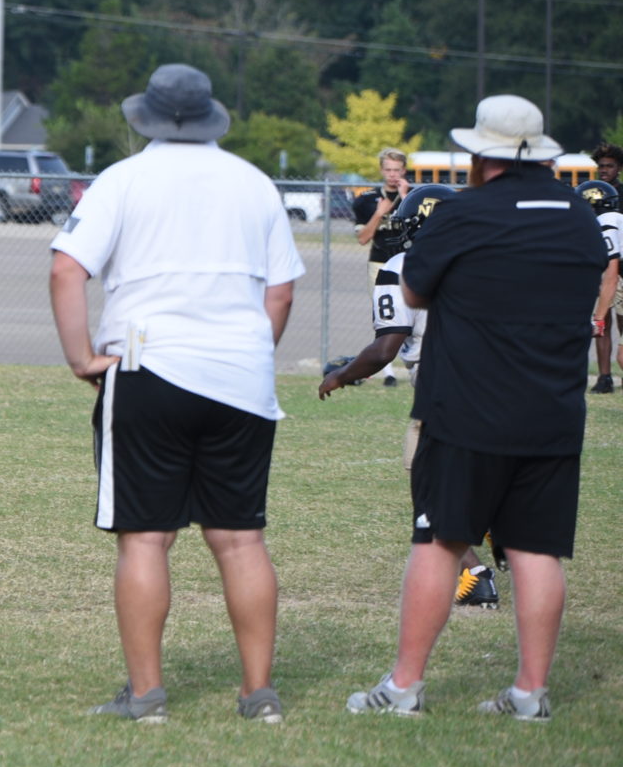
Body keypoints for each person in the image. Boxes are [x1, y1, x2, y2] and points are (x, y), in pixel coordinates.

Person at [49, 64, 302, 726]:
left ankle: (147, 695)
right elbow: (281, 291)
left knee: (145, 539)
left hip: (147, 364)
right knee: (241, 540)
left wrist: (81, 357)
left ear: (147, 118)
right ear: (212, 117)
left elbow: (65, 267)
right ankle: (259, 694)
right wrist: (247, 351)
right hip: (241, 377)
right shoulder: (254, 182)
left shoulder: (123, 180)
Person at [346, 96, 608, 722]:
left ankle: (404, 687)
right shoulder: (576, 213)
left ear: (481, 155)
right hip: (553, 410)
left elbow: (413, 287)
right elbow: (594, 282)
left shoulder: (465, 214)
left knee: (438, 542)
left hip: (465, 407)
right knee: (536, 550)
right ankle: (529, 694)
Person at [318, 186, 501, 609]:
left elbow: (386, 348)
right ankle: (494, 523)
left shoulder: (401, 266)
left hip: (444, 393)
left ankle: (475, 574)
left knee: (426, 485)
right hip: (495, 388)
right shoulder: (485, 262)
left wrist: (341, 376)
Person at [353, 147, 413, 384]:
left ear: (404, 170)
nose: (392, 174)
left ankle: (413, 367)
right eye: (388, 169)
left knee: (414, 317)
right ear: (381, 170)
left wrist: (405, 197)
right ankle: (387, 372)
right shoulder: (367, 200)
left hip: (409, 263)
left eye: (397, 170)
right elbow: (362, 238)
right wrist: (379, 214)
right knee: (385, 317)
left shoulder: (415, 196)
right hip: (380, 263)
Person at [583, 145, 620, 393]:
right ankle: (604, 376)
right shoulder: (591, 193)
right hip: (600, 262)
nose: (604, 170)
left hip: (620, 263)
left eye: (610, 165)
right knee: (601, 319)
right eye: (601, 166)